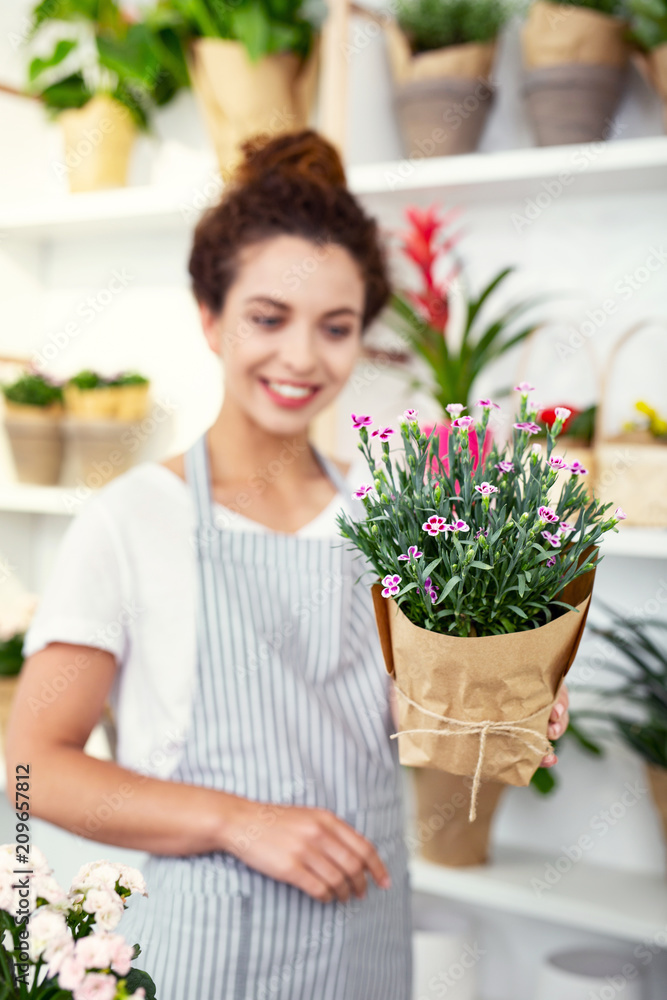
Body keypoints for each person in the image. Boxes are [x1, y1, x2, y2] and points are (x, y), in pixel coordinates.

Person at [7, 129, 568, 1000]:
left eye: (334, 328)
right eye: (268, 318)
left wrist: (498, 700)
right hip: (202, 956)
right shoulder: (129, 522)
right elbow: (28, 766)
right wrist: (236, 821)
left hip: (363, 951)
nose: (302, 358)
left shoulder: (391, 523)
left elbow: (413, 731)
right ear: (210, 317)